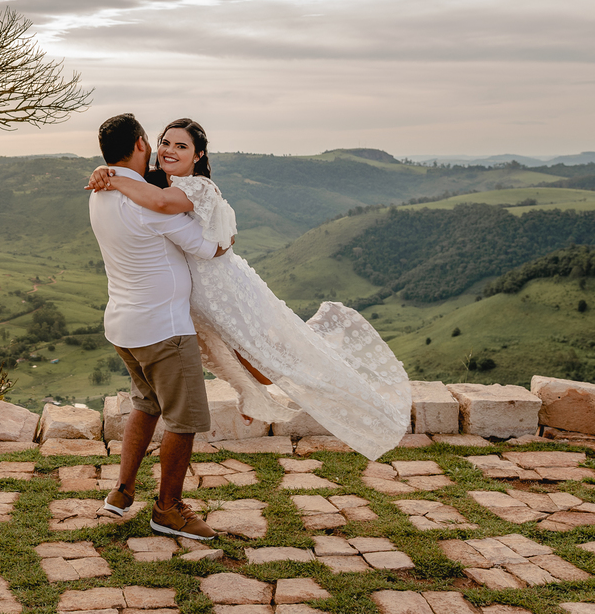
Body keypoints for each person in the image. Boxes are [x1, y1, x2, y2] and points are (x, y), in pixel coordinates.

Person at [88, 118, 411, 461]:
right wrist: (104, 171)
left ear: (198, 155)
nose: (169, 150)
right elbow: (149, 193)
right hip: (195, 298)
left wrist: (113, 177)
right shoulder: (153, 184)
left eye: (181, 146)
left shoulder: (197, 187)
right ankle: (251, 392)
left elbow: (166, 207)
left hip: (222, 287)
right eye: (165, 143)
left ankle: (326, 370)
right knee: (234, 357)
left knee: (265, 361)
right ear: (147, 145)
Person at [88, 113, 230, 540]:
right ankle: (168, 508)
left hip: (124, 325)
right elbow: (206, 247)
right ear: (140, 144)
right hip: (163, 330)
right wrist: (227, 238)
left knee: (146, 404)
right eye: (155, 140)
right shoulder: (147, 203)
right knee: (184, 420)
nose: (160, 148)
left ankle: (121, 491)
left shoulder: (101, 191)